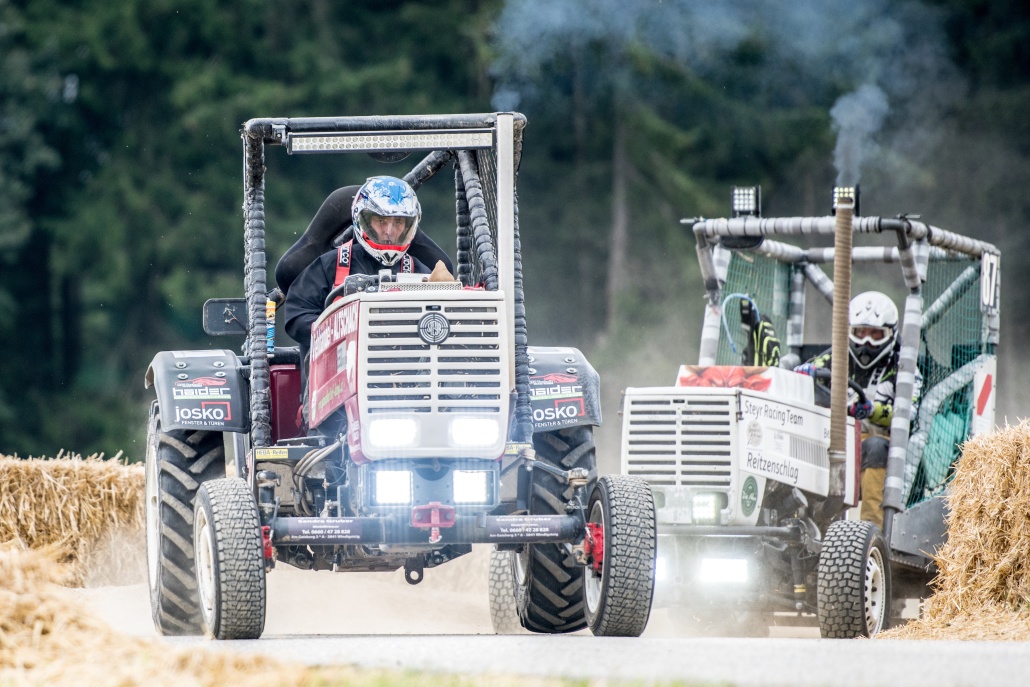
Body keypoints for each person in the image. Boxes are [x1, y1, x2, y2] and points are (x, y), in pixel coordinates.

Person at [283, 175, 439, 433]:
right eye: (381, 221)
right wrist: (339, 330)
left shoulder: (423, 273)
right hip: (334, 404)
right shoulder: (329, 266)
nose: (389, 232)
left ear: (410, 225)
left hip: (413, 394)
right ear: (363, 220)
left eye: (398, 223)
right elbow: (296, 316)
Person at [794, 291, 915, 529]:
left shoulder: (903, 366)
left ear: (890, 334)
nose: (866, 342)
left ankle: (872, 530)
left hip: (881, 448)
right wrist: (803, 373)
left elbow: (909, 414)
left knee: (875, 446)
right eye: (861, 332)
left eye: (875, 334)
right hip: (836, 439)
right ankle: (811, 524)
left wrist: (872, 411)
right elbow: (809, 370)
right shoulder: (836, 357)